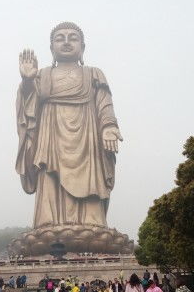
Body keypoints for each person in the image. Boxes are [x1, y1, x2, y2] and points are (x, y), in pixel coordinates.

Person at [15, 23, 123, 248]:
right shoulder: (42, 74)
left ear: (82, 47)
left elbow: (104, 104)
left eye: (72, 38)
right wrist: (27, 81)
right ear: (52, 48)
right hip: (50, 134)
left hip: (88, 137)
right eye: (59, 38)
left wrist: (109, 127)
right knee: (49, 176)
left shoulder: (93, 73)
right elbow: (29, 109)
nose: (66, 42)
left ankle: (93, 225)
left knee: (91, 182)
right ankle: (48, 224)